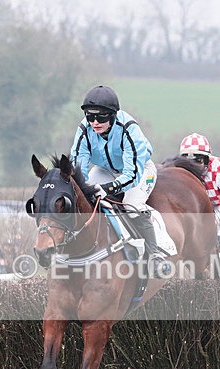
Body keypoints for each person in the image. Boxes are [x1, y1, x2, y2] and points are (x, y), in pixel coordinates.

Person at [71, 85, 167, 276]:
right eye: (90, 116)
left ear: (113, 115)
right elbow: (78, 165)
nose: (95, 122)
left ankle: (155, 253)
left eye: (101, 117)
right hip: (105, 169)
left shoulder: (129, 129)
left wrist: (108, 188)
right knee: (86, 198)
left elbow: (132, 175)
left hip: (140, 170)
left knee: (132, 204)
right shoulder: (84, 129)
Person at [178, 133, 220, 262]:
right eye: (188, 162)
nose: (193, 167)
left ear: (207, 159)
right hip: (203, 206)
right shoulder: (180, 171)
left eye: (198, 161)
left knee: (207, 232)